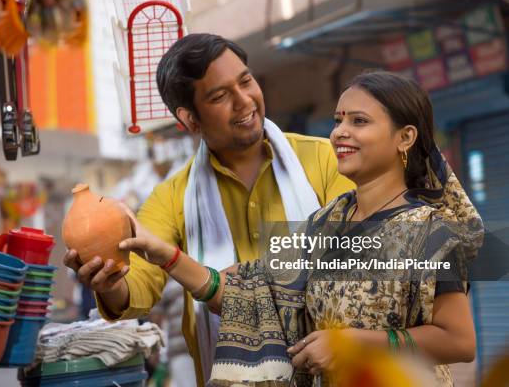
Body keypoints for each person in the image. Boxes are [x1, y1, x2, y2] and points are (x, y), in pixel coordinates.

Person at [117, 71, 484, 386]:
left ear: (405, 137)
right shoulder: (324, 226)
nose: (339, 132)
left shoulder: (432, 232)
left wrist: (353, 344)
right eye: (338, 120)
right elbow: (247, 292)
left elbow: (458, 341)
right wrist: (167, 257)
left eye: (359, 121)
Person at [63, 33, 355, 385]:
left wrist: (206, 279)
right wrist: (109, 282)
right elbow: (136, 284)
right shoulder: (173, 198)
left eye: (246, 81)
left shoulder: (325, 161)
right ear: (189, 120)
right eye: (220, 96)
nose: (244, 100)